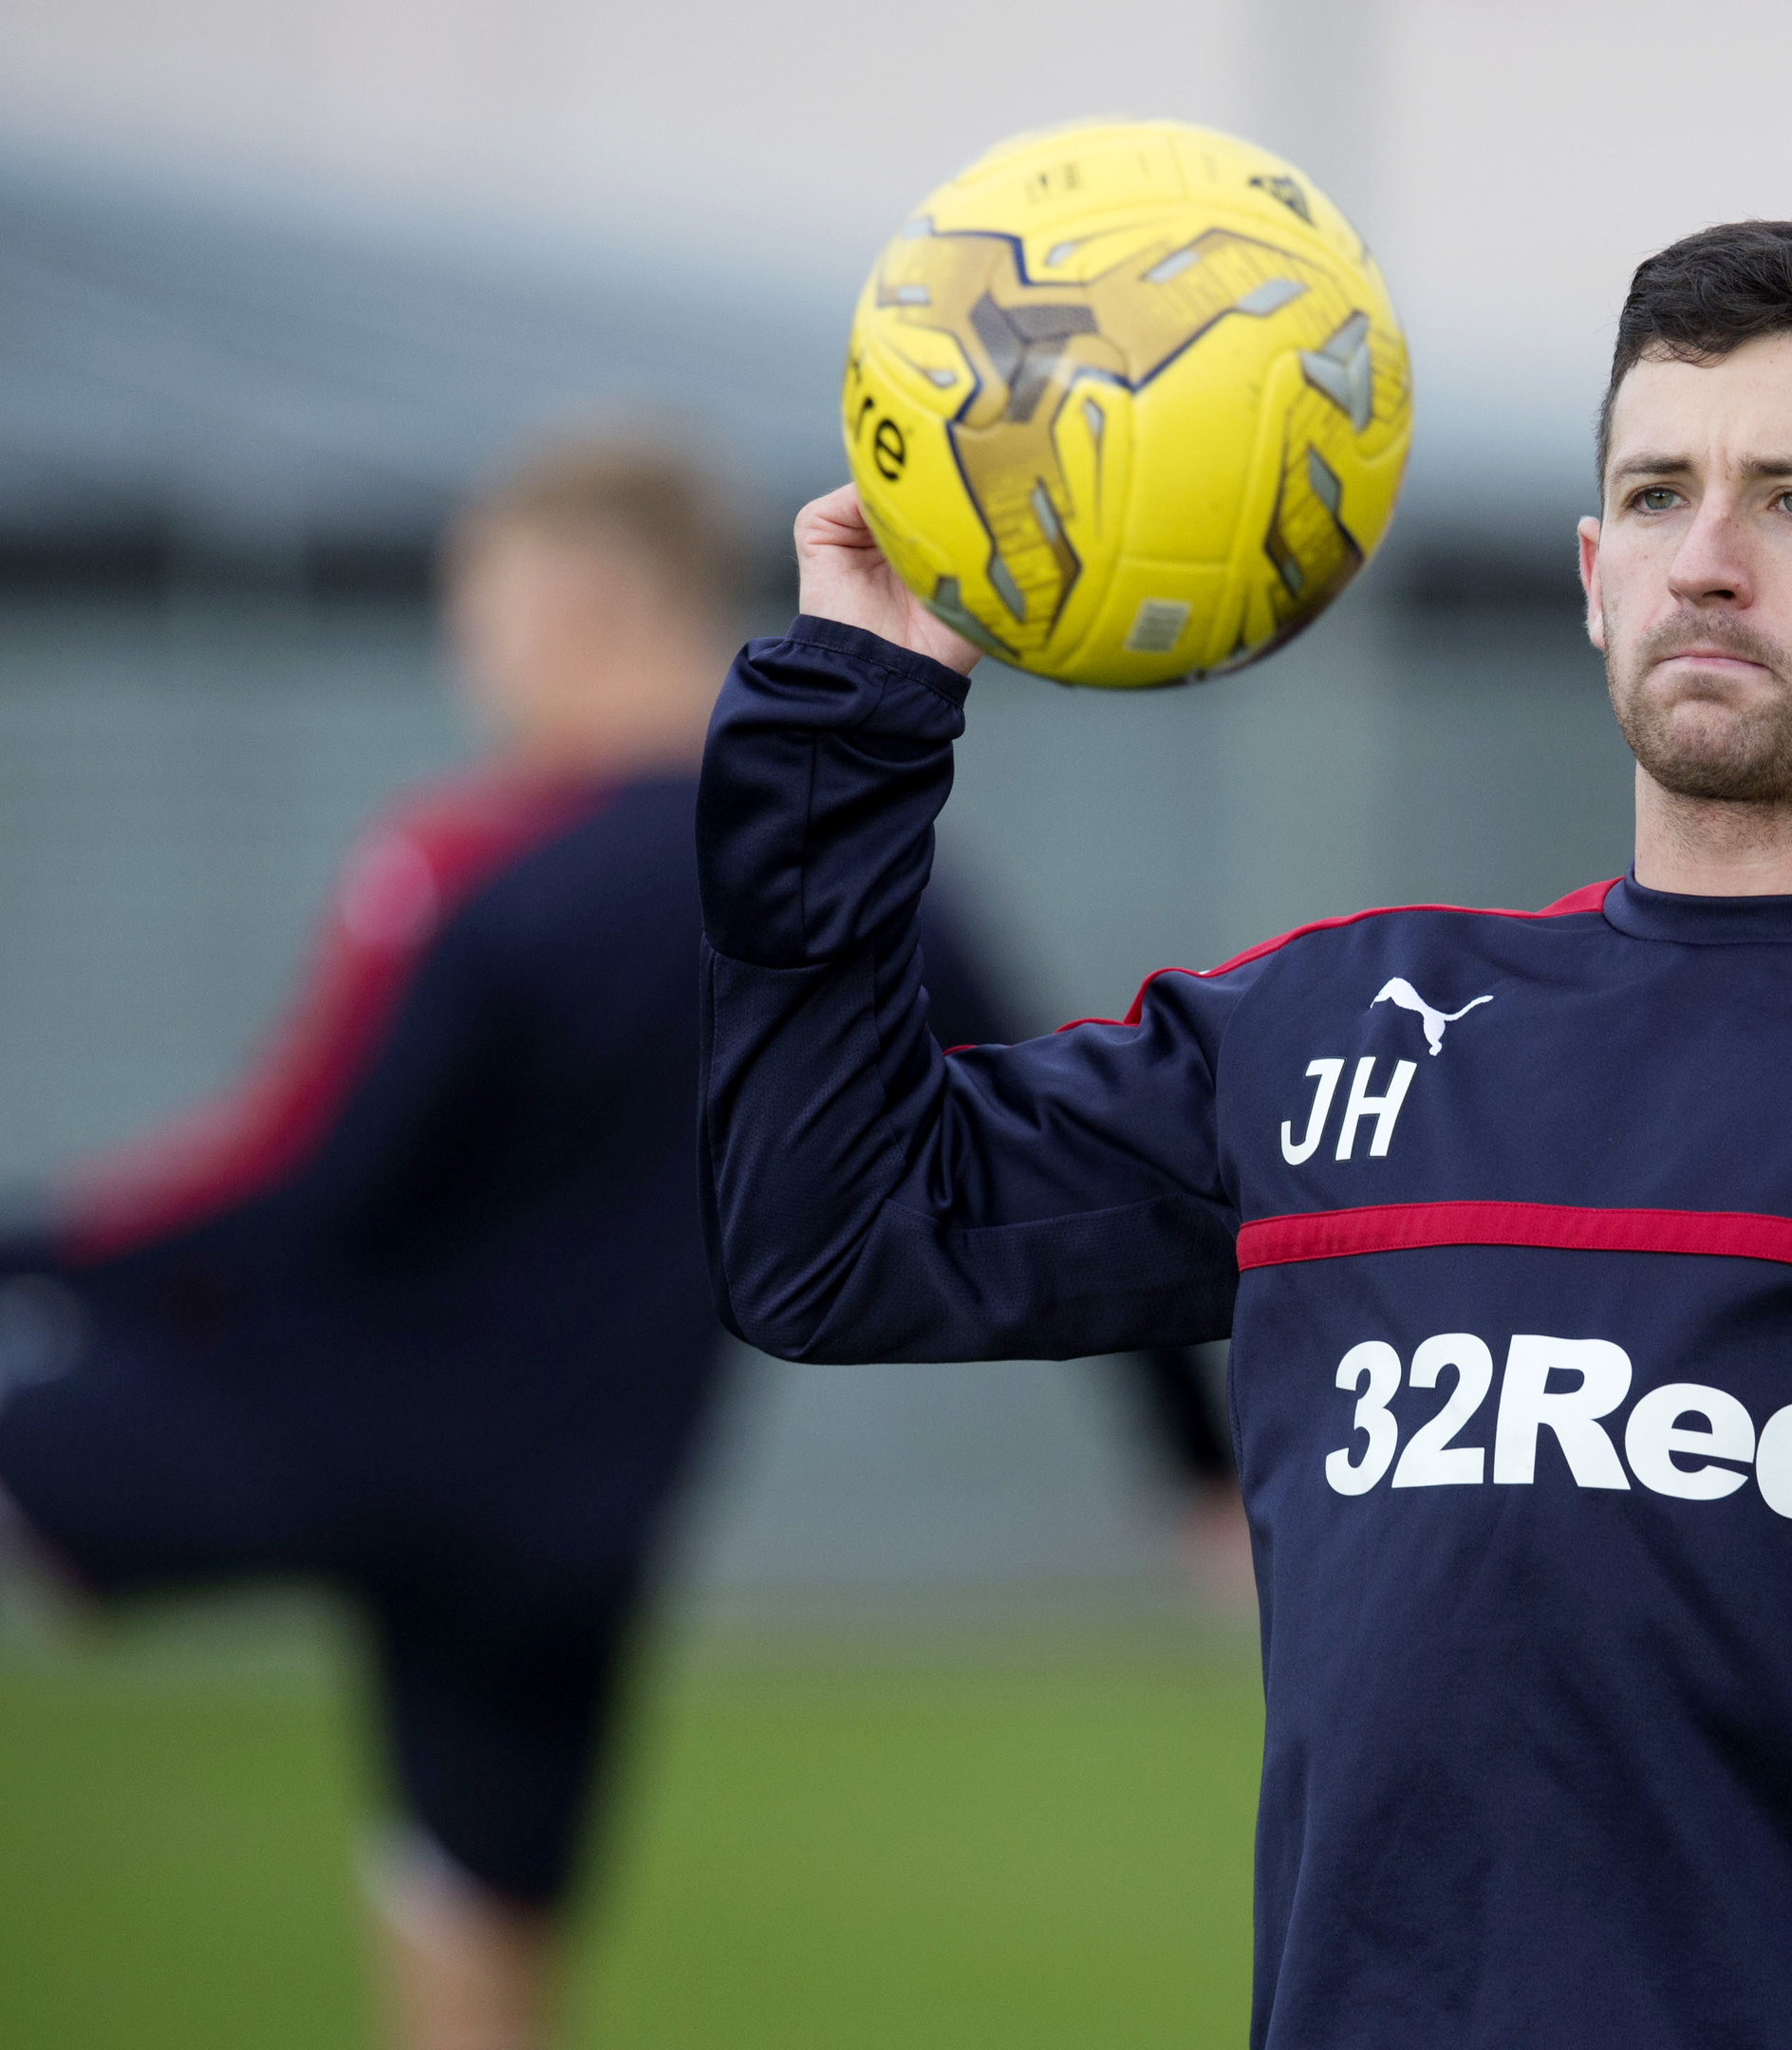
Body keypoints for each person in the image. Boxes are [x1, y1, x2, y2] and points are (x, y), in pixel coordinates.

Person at [696, 222, 1792, 2045]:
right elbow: (831, 1237)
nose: (1711, 562)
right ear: (1593, 572)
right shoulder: (1341, 1031)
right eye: (1659, 494)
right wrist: (855, 709)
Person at [0, 440, 1223, 2049]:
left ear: (575, 598)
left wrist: (37, 1252)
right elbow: (1056, 1172)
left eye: (477, 607)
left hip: (330, 1424)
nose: (471, 655)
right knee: (475, 1971)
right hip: (574, 1517)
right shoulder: (864, 887)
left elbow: (304, 1182)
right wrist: (1194, 1472)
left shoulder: (485, 863)